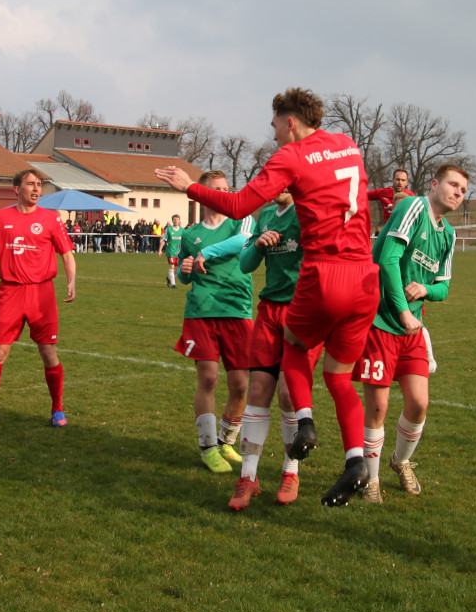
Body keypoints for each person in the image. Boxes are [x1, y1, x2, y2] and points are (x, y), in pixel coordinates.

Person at [157, 87, 379, 507]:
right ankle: (354, 459)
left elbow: (240, 204)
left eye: (275, 125)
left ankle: (306, 426)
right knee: (336, 375)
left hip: (323, 278)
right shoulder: (348, 144)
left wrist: (191, 187)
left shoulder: (291, 157)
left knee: (293, 348)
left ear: (290, 121)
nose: (274, 134)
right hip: (366, 279)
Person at [354, 165, 469, 503]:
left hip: (412, 328)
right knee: (378, 406)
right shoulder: (413, 207)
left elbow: (444, 288)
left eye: (463, 190)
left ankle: (400, 461)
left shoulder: (448, 234)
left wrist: (425, 292)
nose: (457, 193)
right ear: (434, 184)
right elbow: (388, 260)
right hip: (381, 322)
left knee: (419, 402)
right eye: (452, 184)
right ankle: (370, 480)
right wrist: (402, 309)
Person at [219, 189, 320, 508]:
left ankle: (291, 470)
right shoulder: (263, 216)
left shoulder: (307, 212)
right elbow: (247, 263)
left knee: (290, 394)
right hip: (269, 311)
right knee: (258, 390)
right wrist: (259, 245)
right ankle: (248, 477)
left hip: (301, 311)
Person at [0, 170, 77, 432]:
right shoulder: (1, 216)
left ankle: (57, 408)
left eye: (39, 184)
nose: (36, 188)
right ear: (16, 189)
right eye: (30, 184)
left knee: (48, 352)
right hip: (10, 292)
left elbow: (66, 254)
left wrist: (71, 281)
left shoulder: (50, 219)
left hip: (41, 293)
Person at [172, 170, 254, 474]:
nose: (223, 193)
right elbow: (183, 277)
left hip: (237, 309)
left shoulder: (242, 219)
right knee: (208, 378)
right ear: (201, 194)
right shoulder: (191, 233)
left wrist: (206, 253)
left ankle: (226, 441)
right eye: (216, 189)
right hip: (201, 311)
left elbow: (243, 241)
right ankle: (207, 447)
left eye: (226, 188)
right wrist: (186, 269)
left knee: (241, 385)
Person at [160, 214, 186, 288]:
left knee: (178, 270)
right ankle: (173, 284)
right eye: (174, 219)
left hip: (179, 253)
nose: (176, 221)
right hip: (171, 251)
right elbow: (164, 240)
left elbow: (185, 241)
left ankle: (169, 278)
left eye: (177, 219)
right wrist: (160, 250)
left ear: (179, 220)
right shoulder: (168, 229)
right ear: (172, 220)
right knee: (172, 267)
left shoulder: (182, 230)